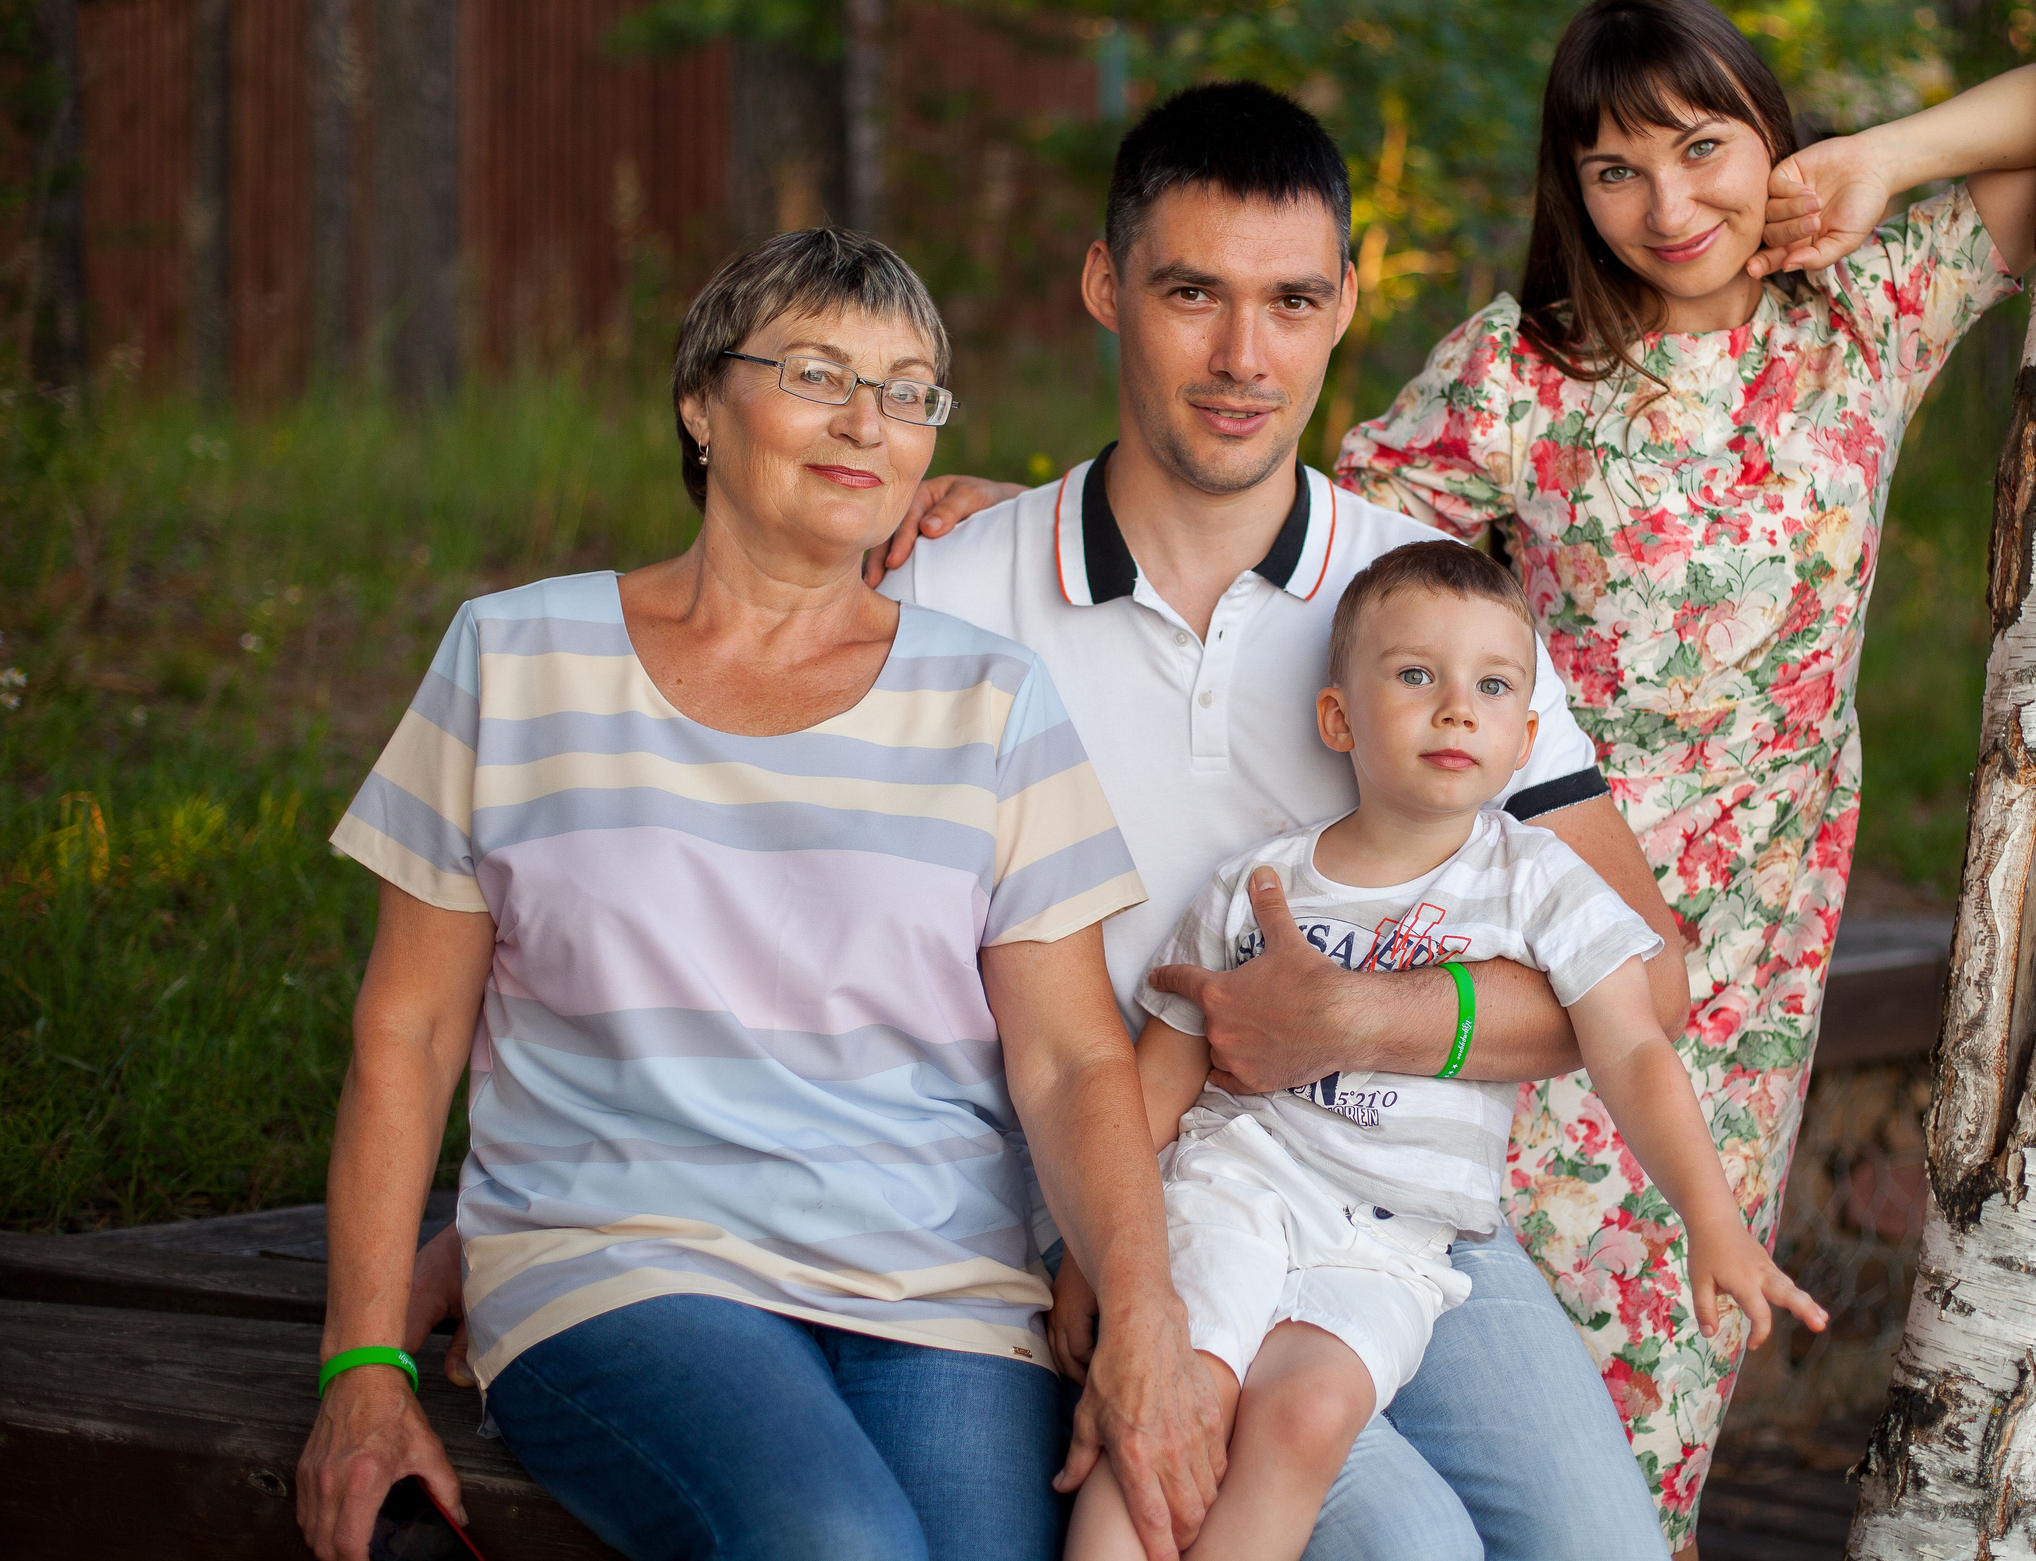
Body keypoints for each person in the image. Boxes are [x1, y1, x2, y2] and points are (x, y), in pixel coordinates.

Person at [408, 82, 1687, 1559]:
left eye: (1288, 300)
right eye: (1190, 292)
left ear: (1349, 301)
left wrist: (1356, 1022)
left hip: (1390, 1187)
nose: (1241, 355)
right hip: (1095, 1207)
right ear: (1105, 287)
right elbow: (738, 886)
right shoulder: (944, 585)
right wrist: (520, 1204)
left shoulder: (1420, 595)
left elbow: (1642, 973)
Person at [293, 231, 1224, 1561]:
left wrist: (1142, 1313)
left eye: (909, 390)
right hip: (619, 1258)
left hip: (936, 1285)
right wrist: (360, 1363)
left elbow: (1074, 1058)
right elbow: (408, 1031)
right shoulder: (514, 656)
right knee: (835, 1540)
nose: (868, 422)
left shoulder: (993, 695)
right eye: (814, 373)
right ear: (699, 403)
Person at [1332, 0, 2036, 1549]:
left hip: (1752, 958)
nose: (1666, 205)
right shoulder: (1526, 376)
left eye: (1704, 146)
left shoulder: (1863, 314)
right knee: (1465, 1359)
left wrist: (1880, 157)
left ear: (1768, 140)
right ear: (1567, 186)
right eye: (1613, 167)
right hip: (1543, 928)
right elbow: (1312, 559)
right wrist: (1048, 504)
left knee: (1664, 1375)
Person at [1056, 539, 1829, 1561]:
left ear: (1524, 740)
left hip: (1398, 1237)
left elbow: (1634, 1046)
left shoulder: (1537, 882)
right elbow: (1163, 1071)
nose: (1456, 707)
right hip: (1235, 1185)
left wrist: (1713, 1220)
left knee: (1308, 1418)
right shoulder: (1257, 882)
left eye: (1492, 686)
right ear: (1340, 717)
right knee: (1179, 1401)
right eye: (1416, 676)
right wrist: (1092, 1253)